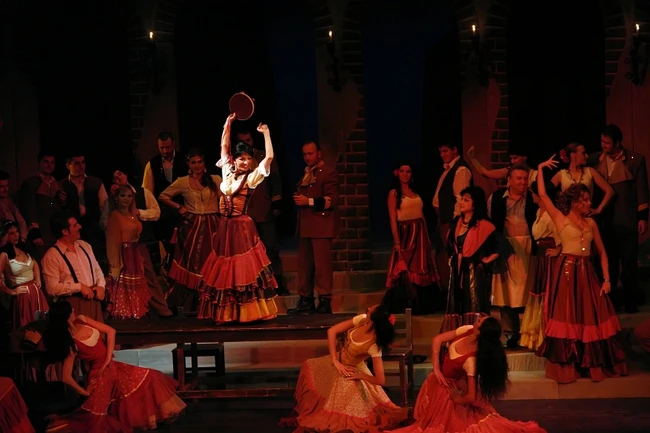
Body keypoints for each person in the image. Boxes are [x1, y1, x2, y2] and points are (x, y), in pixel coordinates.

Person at [535, 154, 627, 383]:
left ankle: (592, 363)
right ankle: (570, 364)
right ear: (575, 202)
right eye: (584, 200)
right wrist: (540, 168)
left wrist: (607, 279)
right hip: (567, 272)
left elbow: (602, 252)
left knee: (593, 314)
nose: (588, 203)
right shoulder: (560, 218)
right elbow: (543, 195)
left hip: (587, 272)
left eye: (588, 200)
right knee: (568, 315)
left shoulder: (591, 223)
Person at [42, 300, 186, 432]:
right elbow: (65, 377)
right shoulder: (71, 343)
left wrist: (107, 358)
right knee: (96, 422)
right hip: (100, 376)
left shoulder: (82, 319)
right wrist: (85, 392)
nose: (74, 310)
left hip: (112, 366)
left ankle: (158, 416)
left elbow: (111, 331)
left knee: (151, 375)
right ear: (67, 316)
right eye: (71, 310)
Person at [386, 317, 546, 433]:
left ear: (480, 330)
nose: (478, 319)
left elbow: (471, 396)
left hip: (450, 388)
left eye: (480, 321)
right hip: (439, 380)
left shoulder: (471, 360)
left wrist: (456, 398)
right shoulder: (467, 329)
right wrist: (436, 368)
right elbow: (437, 339)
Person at [198, 115, 278, 324]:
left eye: (249, 158)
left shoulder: (251, 177)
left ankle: (247, 312)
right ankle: (227, 313)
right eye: (242, 158)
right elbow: (224, 146)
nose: (246, 162)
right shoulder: (227, 171)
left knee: (242, 269)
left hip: (241, 227)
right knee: (225, 268)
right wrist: (228, 124)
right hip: (225, 226)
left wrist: (266, 134)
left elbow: (269, 158)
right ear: (235, 160)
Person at [280, 305, 409, 433]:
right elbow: (332, 331)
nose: (368, 308)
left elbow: (381, 380)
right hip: (337, 360)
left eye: (371, 310)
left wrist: (361, 375)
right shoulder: (362, 319)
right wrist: (335, 360)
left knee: (341, 412)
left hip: (350, 369)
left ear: (373, 319)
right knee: (309, 365)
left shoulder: (373, 345)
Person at [589, 124, 649, 313]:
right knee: (610, 263)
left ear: (617, 143)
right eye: (602, 141)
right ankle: (611, 303)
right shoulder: (595, 160)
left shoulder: (635, 160)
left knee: (629, 263)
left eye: (607, 142)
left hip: (627, 220)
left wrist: (642, 218)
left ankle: (631, 302)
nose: (603, 145)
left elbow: (642, 190)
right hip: (605, 221)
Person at [159, 148, 222, 312]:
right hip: (191, 226)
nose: (197, 165)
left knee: (212, 260)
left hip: (212, 225)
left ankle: (213, 299)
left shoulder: (215, 179)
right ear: (188, 164)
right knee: (193, 262)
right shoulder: (183, 181)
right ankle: (194, 302)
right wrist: (179, 207)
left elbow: (225, 197)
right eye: (193, 162)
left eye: (199, 161)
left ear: (204, 162)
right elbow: (163, 196)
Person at [488, 164, 539, 348]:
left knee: (528, 291)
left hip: (528, 247)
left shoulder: (533, 197)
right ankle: (511, 334)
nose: (523, 182)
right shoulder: (496, 198)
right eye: (519, 178)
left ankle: (529, 333)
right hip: (506, 247)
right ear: (509, 180)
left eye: (525, 178)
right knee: (506, 293)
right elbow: (490, 224)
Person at [288, 141, 341, 315]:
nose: (307, 157)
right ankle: (306, 299)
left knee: (322, 266)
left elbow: (332, 199)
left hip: (321, 226)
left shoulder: (328, 173)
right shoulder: (307, 173)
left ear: (319, 153)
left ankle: (325, 300)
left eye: (310, 153)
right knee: (305, 266)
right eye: (304, 154)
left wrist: (308, 201)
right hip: (306, 226)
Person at [383, 162, 440, 314]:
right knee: (406, 266)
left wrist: (426, 236)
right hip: (406, 233)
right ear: (397, 173)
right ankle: (407, 302)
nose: (405, 174)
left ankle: (424, 303)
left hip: (419, 232)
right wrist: (397, 242)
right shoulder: (394, 193)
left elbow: (421, 214)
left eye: (408, 171)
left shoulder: (416, 191)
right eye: (402, 171)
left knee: (421, 266)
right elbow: (392, 219)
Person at [441, 186, 498, 333]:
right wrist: (452, 258)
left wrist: (486, 260)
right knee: (457, 304)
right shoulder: (456, 223)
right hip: (458, 271)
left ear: (475, 204)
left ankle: (475, 336)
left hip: (474, 272)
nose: (461, 202)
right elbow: (450, 245)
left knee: (473, 304)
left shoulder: (484, 225)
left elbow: (501, 246)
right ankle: (457, 338)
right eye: (461, 199)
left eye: (466, 200)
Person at [41, 212, 106, 323]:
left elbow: (96, 269)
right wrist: (79, 287)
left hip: (94, 301)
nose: (80, 226)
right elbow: (52, 288)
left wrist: (101, 286)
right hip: (73, 305)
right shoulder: (51, 256)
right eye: (75, 225)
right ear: (65, 231)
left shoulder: (84, 246)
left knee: (98, 333)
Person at [105, 185, 152, 319]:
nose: (126, 199)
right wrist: (115, 265)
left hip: (134, 254)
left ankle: (135, 312)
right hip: (124, 255)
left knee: (137, 284)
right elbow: (112, 243)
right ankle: (124, 314)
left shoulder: (132, 215)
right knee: (124, 286)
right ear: (116, 198)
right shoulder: (115, 216)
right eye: (123, 195)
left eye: (129, 196)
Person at [0, 220, 49, 330]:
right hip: (23, 296)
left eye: (17, 231)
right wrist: (12, 291)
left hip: (36, 293)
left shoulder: (23, 249)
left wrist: (38, 279)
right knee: (28, 327)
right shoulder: (4, 255)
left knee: (42, 323)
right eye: (11, 233)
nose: (16, 235)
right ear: (4, 236)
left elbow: (34, 263)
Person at [551, 142, 614, 215]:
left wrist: (598, 210)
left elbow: (610, 191)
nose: (587, 156)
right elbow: (545, 192)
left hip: (587, 216)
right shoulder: (561, 174)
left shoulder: (590, 171)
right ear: (573, 155)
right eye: (583, 153)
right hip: (568, 217)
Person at [467, 145, 538, 187]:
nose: (512, 161)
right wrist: (472, 159)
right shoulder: (509, 171)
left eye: (515, 158)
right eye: (511, 158)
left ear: (524, 157)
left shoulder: (535, 174)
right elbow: (486, 174)